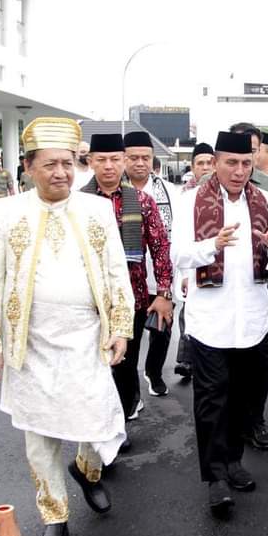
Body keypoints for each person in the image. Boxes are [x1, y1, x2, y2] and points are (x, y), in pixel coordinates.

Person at [0, 117, 133, 536]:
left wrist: (120, 326)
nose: (61, 172)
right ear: (28, 168)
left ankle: (88, 471)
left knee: (97, 419)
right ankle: (54, 514)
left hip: (88, 339)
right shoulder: (6, 212)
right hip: (30, 342)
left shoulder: (97, 209)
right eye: (50, 165)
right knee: (40, 434)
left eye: (67, 163)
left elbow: (116, 273)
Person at [171, 131, 268, 516]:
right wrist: (213, 246)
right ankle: (216, 477)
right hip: (211, 321)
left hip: (253, 319)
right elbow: (179, 256)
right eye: (231, 163)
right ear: (216, 162)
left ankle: (235, 462)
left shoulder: (266, 200)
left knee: (245, 397)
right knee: (211, 400)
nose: (239, 171)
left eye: (245, 164)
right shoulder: (190, 201)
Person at [82, 133, 172, 437]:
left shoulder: (143, 202)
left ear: (123, 161)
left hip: (130, 299)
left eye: (115, 159)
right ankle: (97, 427)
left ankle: (116, 427)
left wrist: (163, 293)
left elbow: (160, 248)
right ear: (91, 161)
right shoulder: (78, 202)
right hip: (86, 301)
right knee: (92, 367)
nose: (108, 166)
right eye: (101, 160)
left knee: (123, 364)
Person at [124, 131, 176, 398]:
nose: (139, 163)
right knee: (129, 340)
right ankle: (130, 394)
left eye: (145, 157)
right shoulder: (110, 192)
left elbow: (176, 236)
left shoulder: (170, 192)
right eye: (133, 157)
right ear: (123, 159)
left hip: (162, 278)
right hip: (127, 280)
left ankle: (154, 373)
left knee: (162, 331)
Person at [173, 142, 215, 379]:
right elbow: (181, 241)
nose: (206, 167)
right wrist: (185, 274)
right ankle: (186, 360)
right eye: (201, 163)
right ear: (193, 167)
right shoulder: (184, 196)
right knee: (188, 312)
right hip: (191, 265)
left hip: (217, 265)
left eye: (210, 162)